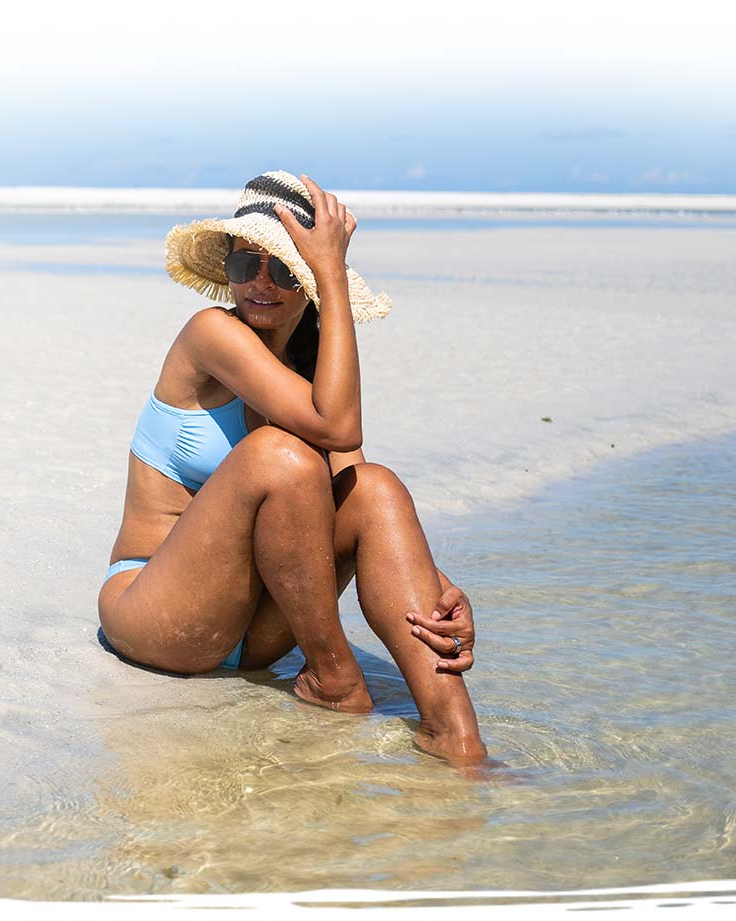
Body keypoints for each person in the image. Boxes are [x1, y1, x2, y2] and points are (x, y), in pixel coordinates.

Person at [96, 171, 485, 764]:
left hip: (257, 628)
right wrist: (331, 274)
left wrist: (432, 586)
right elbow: (336, 429)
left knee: (376, 487)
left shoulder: (314, 364)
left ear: (302, 281)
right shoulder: (211, 334)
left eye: (282, 270)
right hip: (157, 610)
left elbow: (351, 486)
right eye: (244, 264)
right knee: (279, 456)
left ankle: (456, 738)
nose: (259, 284)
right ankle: (334, 676)